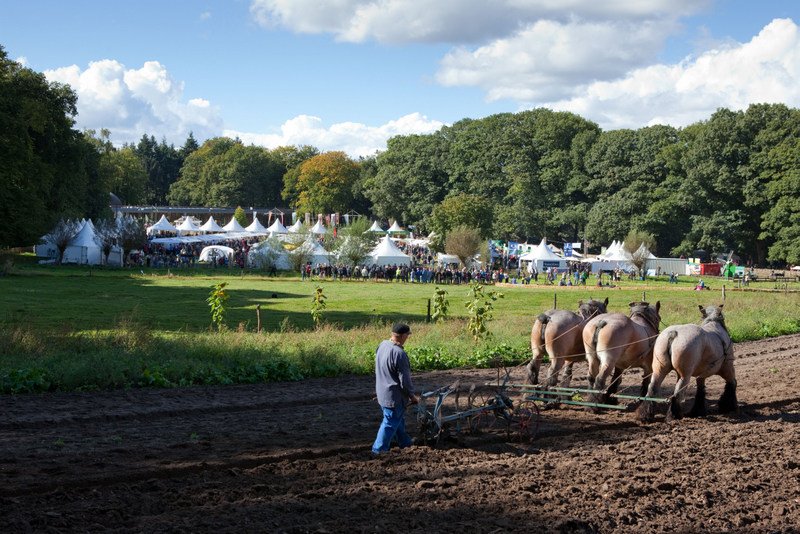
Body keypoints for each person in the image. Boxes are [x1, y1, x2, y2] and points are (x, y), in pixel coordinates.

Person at [371, 323, 418, 455]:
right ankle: (378, 450)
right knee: (390, 422)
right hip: (394, 397)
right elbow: (405, 381)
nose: (407, 337)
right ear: (402, 336)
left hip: (382, 392)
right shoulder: (399, 354)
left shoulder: (382, 345)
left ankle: (405, 443)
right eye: (407, 335)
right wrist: (412, 396)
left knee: (398, 419)